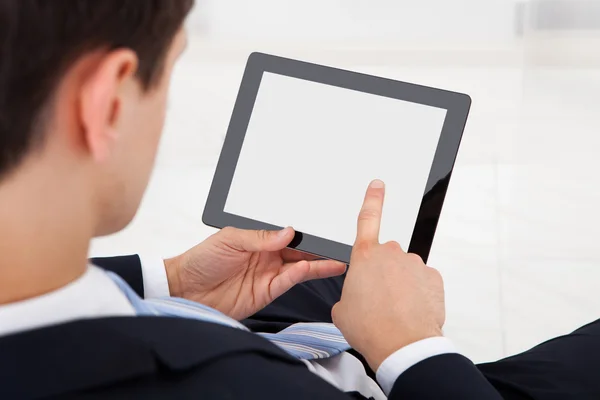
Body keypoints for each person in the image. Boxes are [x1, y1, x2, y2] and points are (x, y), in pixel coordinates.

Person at [0, 1, 599, 399]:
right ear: (105, 103)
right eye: (169, 72)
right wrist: (411, 349)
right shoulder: (236, 386)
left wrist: (173, 283)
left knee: (324, 264)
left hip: (206, 318)